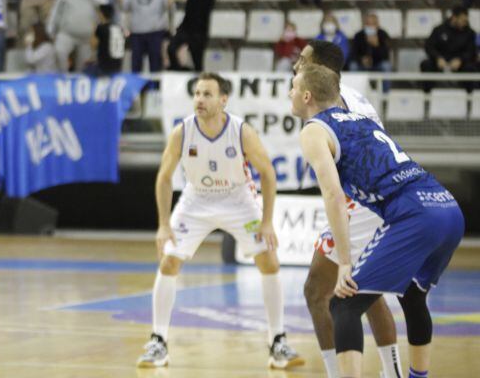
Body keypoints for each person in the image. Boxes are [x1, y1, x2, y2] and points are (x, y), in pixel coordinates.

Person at [292, 65, 463, 378]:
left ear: (306, 95)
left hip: (415, 213)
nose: (289, 93)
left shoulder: (313, 130)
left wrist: (345, 263)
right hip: (447, 206)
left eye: (292, 86)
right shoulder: (362, 118)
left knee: (344, 304)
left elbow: (332, 195)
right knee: (413, 295)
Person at [139, 73, 301, 369]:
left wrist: (266, 221)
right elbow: (163, 178)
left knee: (270, 262)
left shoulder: (241, 131)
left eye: (207, 94)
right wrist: (163, 223)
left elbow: (268, 173)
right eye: (197, 93)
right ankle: (158, 341)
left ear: (223, 99)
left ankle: (277, 341)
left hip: (237, 199)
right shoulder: (182, 132)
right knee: (168, 262)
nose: (199, 99)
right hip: (196, 199)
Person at [292, 41, 402, 378]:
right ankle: (392, 371)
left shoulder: (328, 106)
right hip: (378, 198)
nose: (296, 64)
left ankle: (337, 373)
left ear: (319, 69)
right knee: (366, 292)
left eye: (302, 60)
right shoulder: (351, 95)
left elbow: (335, 184)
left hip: (359, 202)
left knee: (318, 290)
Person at [47, 0, 108, 71]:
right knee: (59, 52)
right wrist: (51, 30)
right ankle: (63, 77)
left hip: (86, 37)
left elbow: (103, 2)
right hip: (66, 34)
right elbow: (55, 11)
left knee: (82, 68)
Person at [165, 0, 219, 71]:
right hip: (185, 27)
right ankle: (177, 71)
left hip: (199, 31)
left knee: (197, 61)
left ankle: (199, 82)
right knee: (171, 49)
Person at [122, 0, 171, 73]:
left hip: (156, 31)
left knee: (155, 63)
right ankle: (136, 88)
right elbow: (125, 7)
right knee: (136, 64)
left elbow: (168, 6)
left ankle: (155, 87)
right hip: (136, 32)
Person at [420, 6, 477, 74]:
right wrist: (438, 58)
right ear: (454, 18)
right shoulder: (439, 30)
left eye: (466, 21)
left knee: (470, 68)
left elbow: (471, 51)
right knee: (426, 65)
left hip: (460, 63)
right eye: (462, 20)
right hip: (440, 61)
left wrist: (460, 60)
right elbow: (429, 46)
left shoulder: (470, 33)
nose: (465, 23)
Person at [92, 5, 124, 74]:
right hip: (118, 65)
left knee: (86, 69)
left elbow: (93, 45)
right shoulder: (118, 28)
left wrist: (94, 29)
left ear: (101, 14)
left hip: (104, 67)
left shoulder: (100, 28)